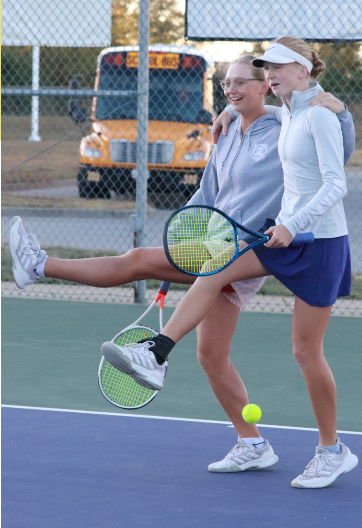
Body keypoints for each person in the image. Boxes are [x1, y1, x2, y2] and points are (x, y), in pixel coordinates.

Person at [10, 53, 354, 480]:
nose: (231, 90)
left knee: (138, 261)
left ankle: (41, 266)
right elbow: (207, 194)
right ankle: (252, 443)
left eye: (242, 82)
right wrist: (184, 239)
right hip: (212, 242)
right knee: (211, 355)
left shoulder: (286, 124)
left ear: (265, 86)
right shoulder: (224, 134)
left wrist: (339, 110)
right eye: (226, 84)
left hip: (252, 246)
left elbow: (327, 143)